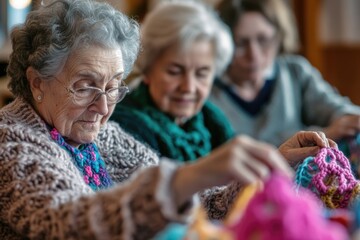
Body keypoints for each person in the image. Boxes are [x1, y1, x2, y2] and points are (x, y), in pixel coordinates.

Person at [0, 0, 336, 239]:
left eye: (114, 87)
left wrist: (273, 163)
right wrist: (188, 176)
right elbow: (68, 223)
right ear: (37, 82)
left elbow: (201, 202)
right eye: (85, 86)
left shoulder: (101, 135)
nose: (103, 107)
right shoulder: (11, 139)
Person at [210, 0, 360, 147]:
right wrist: (323, 134)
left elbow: (335, 108)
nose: (253, 54)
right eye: (241, 43)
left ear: (279, 37)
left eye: (263, 40)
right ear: (222, 44)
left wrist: (350, 120)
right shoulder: (207, 89)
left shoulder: (295, 72)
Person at [110, 0, 236, 161]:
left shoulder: (212, 121)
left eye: (201, 74)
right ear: (147, 70)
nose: (189, 87)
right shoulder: (124, 127)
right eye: (175, 72)